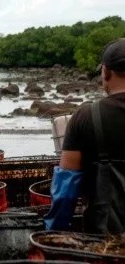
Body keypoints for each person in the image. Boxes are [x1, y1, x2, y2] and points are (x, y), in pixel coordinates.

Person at [44, 38, 125, 234]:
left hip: (105, 244)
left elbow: (65, 191)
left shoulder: (86, 117)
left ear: (105, 72)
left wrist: (53, 235)